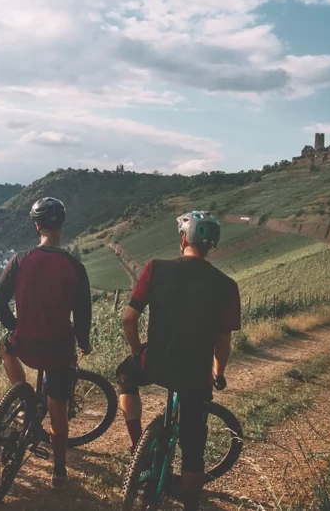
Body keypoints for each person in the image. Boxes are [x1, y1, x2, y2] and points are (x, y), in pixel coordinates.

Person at [115, 211, 241, 511]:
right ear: (211, 245)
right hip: (196, 375)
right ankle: (191, 506)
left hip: (156, 362)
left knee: (125, 375)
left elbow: (128, 319)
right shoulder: (226, 285)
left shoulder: (156, 268)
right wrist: (217, 372)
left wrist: (137, 352)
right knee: (194, 448)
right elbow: (223, 342)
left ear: (183, 238)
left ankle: (137, 447)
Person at [0, 196, 92, 490]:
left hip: (24, 344)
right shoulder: (75, 267)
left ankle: (23, 395)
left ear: (37, 226)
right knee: (59, 413)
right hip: (59, 352)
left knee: (4, 346)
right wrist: (83, 343)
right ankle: (59, 470)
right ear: (61, 225)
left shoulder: (20, 260)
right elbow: (83, 316)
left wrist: (16, 327)